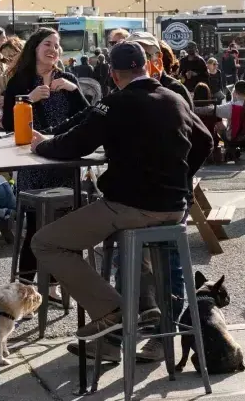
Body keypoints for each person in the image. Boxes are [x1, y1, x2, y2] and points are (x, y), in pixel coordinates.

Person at [30, 41, 213, 341]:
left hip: (131, 206)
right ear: (146, 67)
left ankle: (113, 311)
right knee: (133, 244)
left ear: (113, 75)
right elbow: (204, 142)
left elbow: (76, 144)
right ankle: (141, 318)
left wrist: (42, 145)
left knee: (47, 243)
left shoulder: (116, 103)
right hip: (174, 207)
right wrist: (179, 176)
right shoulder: (173, 98)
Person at [2, 28, 88, 299]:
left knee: (62, 228)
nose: (53, 49)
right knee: (35, 227)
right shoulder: (20, 81)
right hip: (33, 163)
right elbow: (6, 123)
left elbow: (88, 119)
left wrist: (75, 92)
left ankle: (51, 287)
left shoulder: (68, 79)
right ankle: (22, 292)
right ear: (35, 49)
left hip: (63, 162)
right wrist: (28, 100)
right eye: (47, 44)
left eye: (57, 45)